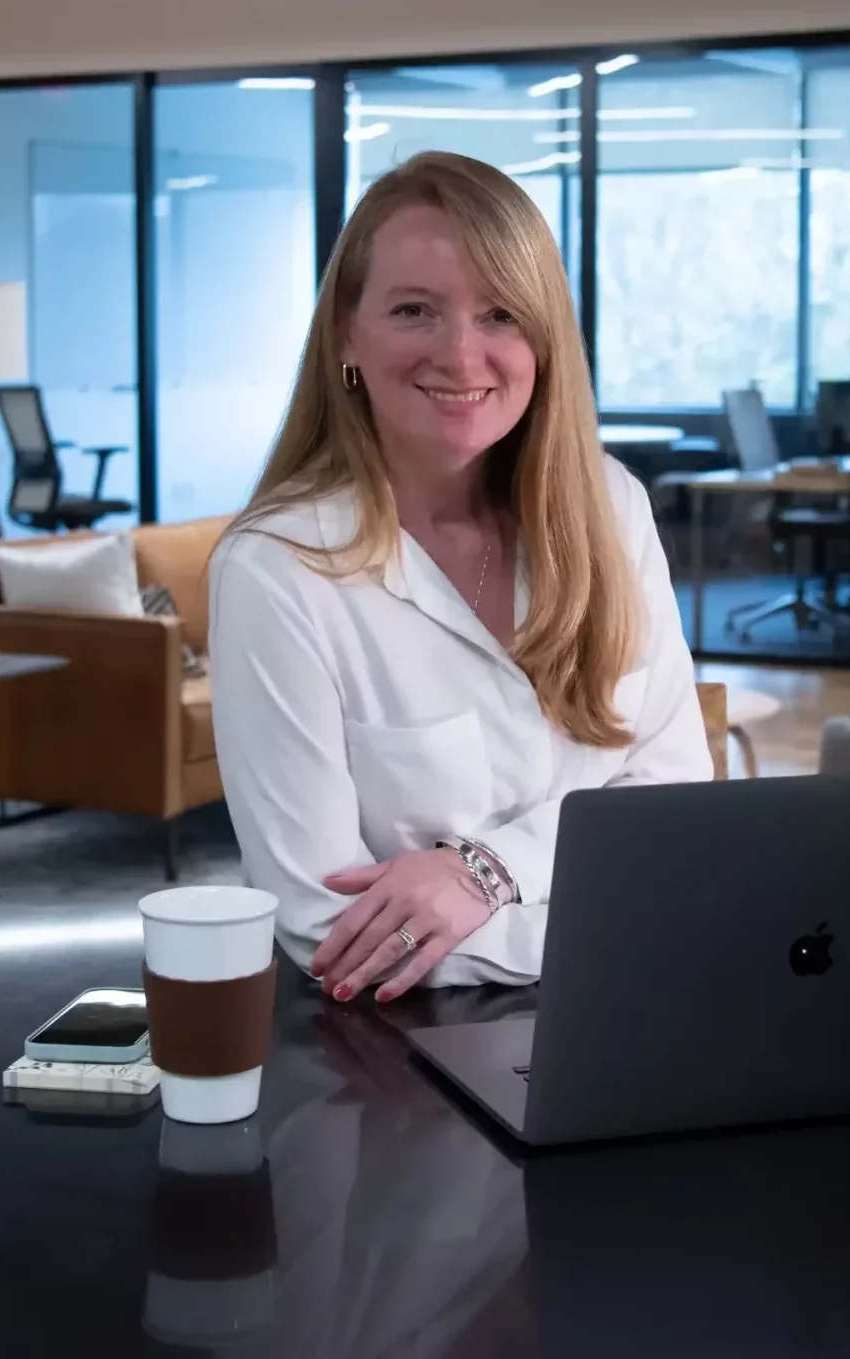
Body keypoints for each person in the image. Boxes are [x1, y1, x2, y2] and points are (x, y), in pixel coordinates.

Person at [209, 150, 711, 1004]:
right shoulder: (277, 571)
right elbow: (328, 931)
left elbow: (671, 809)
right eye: (414, 310)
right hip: (404, 1057)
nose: (462, 353)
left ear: (545, 341)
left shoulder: (610, 507)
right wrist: (625, 919)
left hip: (633, 1012)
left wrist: (482, 871)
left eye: (502, 315)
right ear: (345, 337)